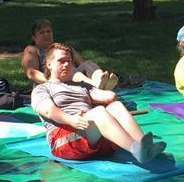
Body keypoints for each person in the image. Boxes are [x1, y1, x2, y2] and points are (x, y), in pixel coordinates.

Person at [32, 42, 166, 164]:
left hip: (91, 135)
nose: (67, 65)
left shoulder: (82, 86)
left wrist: (106, 87)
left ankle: (145, 147)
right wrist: (70, 119)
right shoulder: (42, 89)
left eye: (69, 61)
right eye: (61, 61)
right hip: (65, 139)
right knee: (99, 112)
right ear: (49, 64)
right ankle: (135, 149)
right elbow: (49, 110)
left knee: (116, 106)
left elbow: (109, 97)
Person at [20, 18, 117, 89]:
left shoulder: (62, 48)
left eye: (48, 31)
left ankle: (101, 81)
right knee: (69, 69)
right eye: (41, 32)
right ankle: (95, 86)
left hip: (74, 79)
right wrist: (52, 81)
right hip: (51, 83)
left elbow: (82, 64)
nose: (46, 35)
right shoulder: (32, 49)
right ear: (34, 37)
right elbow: (31, 73)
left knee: (88, 64)